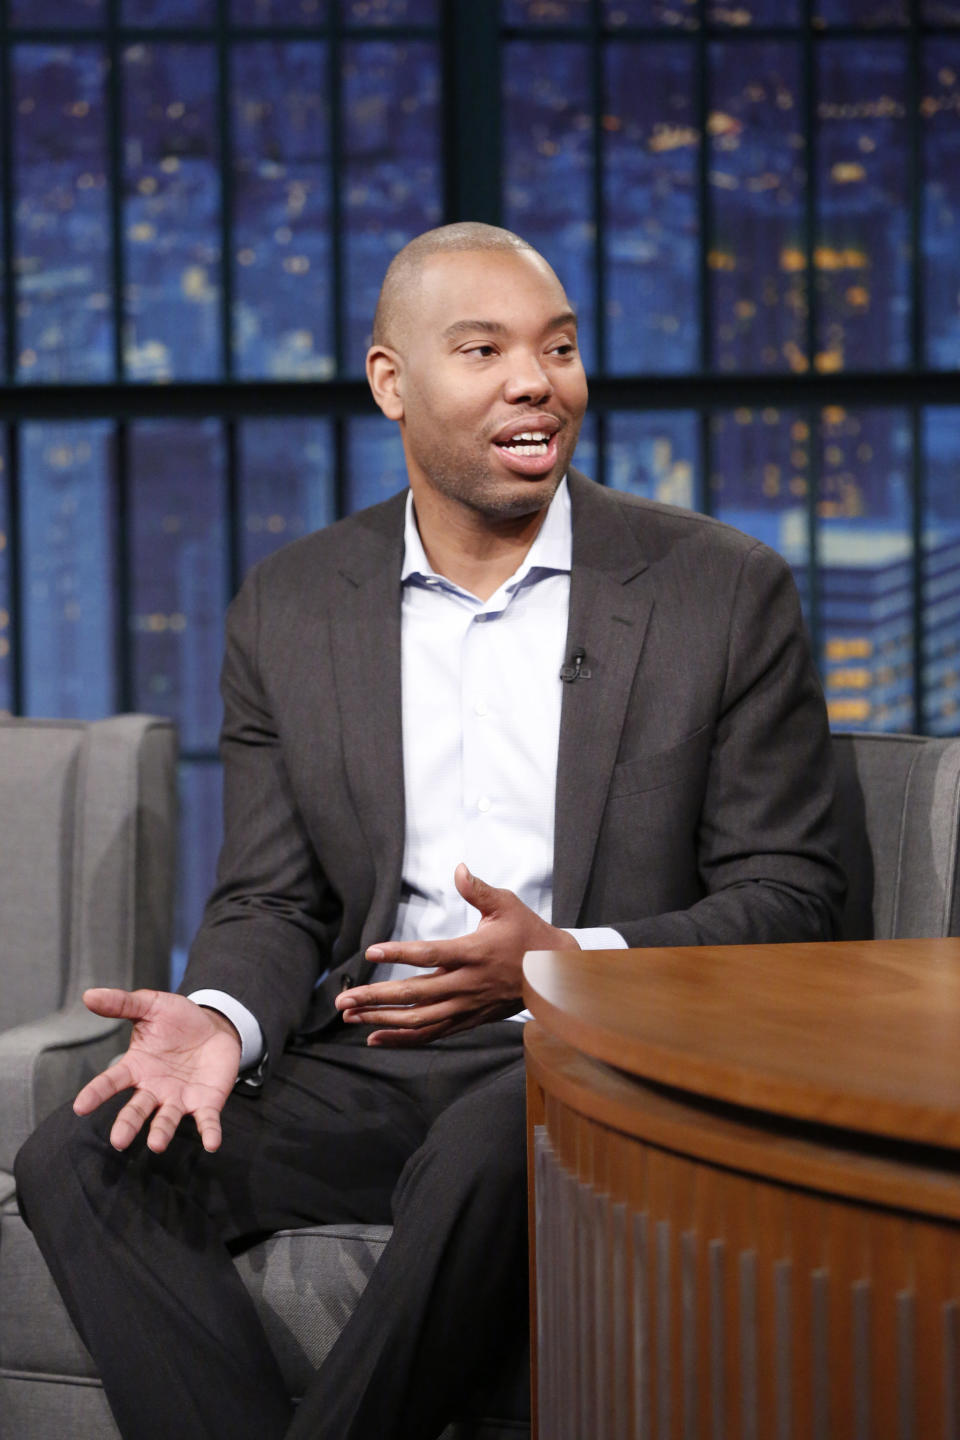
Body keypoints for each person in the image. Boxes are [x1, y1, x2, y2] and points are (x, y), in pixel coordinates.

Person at [15, 222, 845, 1440]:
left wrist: (560, 963)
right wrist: (223, 1019)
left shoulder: (720, 591)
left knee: (488, 1152)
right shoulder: (295, 604)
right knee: (79, 1162)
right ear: (391, 383)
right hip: (372, 1056)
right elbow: (271, 898)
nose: (536, 381)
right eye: (486, 349)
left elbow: (794, 898)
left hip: (598, 1064)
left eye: (558, 349)